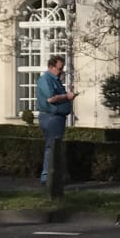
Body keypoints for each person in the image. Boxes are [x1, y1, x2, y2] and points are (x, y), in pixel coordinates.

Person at [35, 53, 76, 186]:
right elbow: (51, 99)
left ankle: (56, 175)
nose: (61, 71)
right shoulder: (46, 80)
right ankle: (47, 176)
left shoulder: (55, 80)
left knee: (55, 147)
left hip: (57, 118)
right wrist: (67, 96)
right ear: (51, 67)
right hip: (51, 117)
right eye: (59, 68)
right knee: (52, 146)